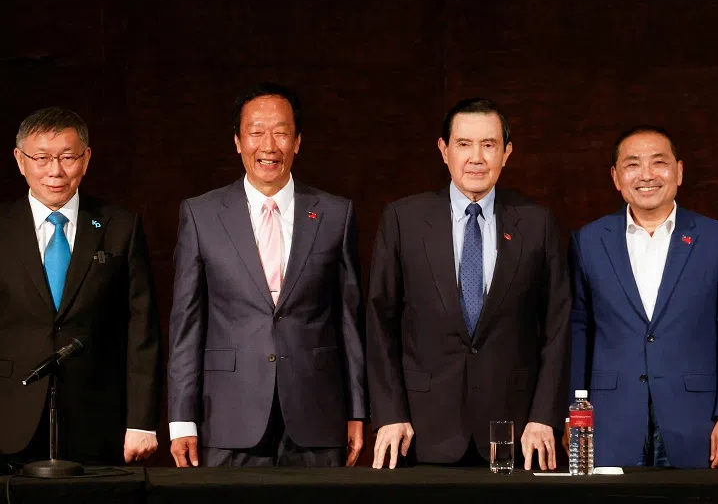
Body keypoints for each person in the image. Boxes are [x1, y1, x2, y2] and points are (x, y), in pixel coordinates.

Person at [366, 98, 571, 471]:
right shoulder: (404, 220)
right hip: (422, 429)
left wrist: (545, 416)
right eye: (464, 144)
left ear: (507, 152)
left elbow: (558, 327)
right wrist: (388, 413)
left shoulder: (536, 224)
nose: (476, 157)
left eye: (489, 144)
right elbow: (380, 324)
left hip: (516, 432)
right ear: (444, 150)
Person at [168, 83, 365, 468]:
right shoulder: (201, 214)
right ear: (238, 142)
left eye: (281, 132)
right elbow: (185, 324)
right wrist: (181, 419)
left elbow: (349, 321)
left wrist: (357, 410)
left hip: (316, 415)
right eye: (256, 132)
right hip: (227, 415)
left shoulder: (335, 214)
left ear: (298, 141)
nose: (269, 145)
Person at [569, 125, 718, 468]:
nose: (647, 175)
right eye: (633, 164)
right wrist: (571, 416)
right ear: (615, 177)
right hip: (611, 420)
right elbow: (578, 333)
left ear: (679, 171)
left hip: (698, 423)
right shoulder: (588, 241)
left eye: (659, 162)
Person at [0, 107, 161, 466]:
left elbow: (142, 330)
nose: (55, 171)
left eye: (68, 157)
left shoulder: (121, 226)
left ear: (86, 159)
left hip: (98, 420)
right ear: (20, 160)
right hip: (10, 416)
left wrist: (141, 421)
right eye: (41, 158)